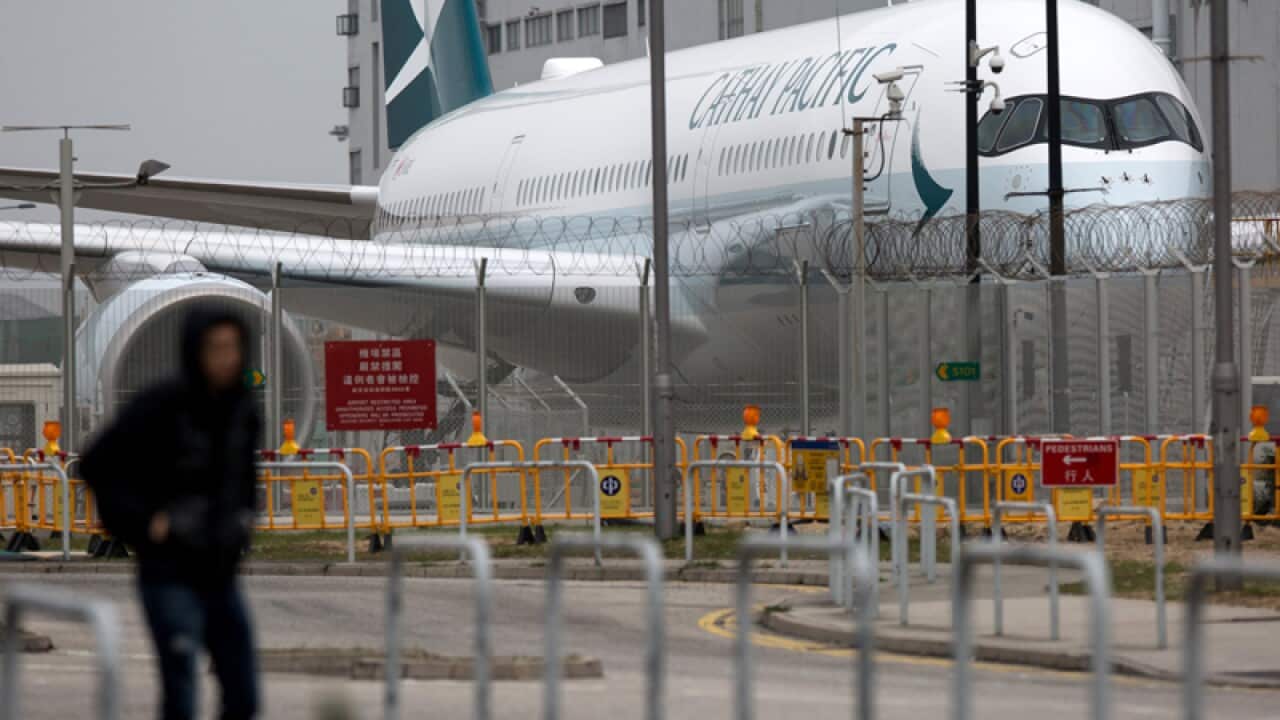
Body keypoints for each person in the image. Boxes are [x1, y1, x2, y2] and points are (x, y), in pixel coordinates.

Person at [81, 304, 261, 720]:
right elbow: (96, 462)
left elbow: (246, 477)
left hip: (220, 572)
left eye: (234, 347)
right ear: (195, 351)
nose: (227, 358)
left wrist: (244, 520)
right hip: (169, 570)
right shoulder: (161, 404)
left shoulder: (242, 410)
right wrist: (143, 525)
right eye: (216, 348)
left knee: (243, 691)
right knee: (180, 684)